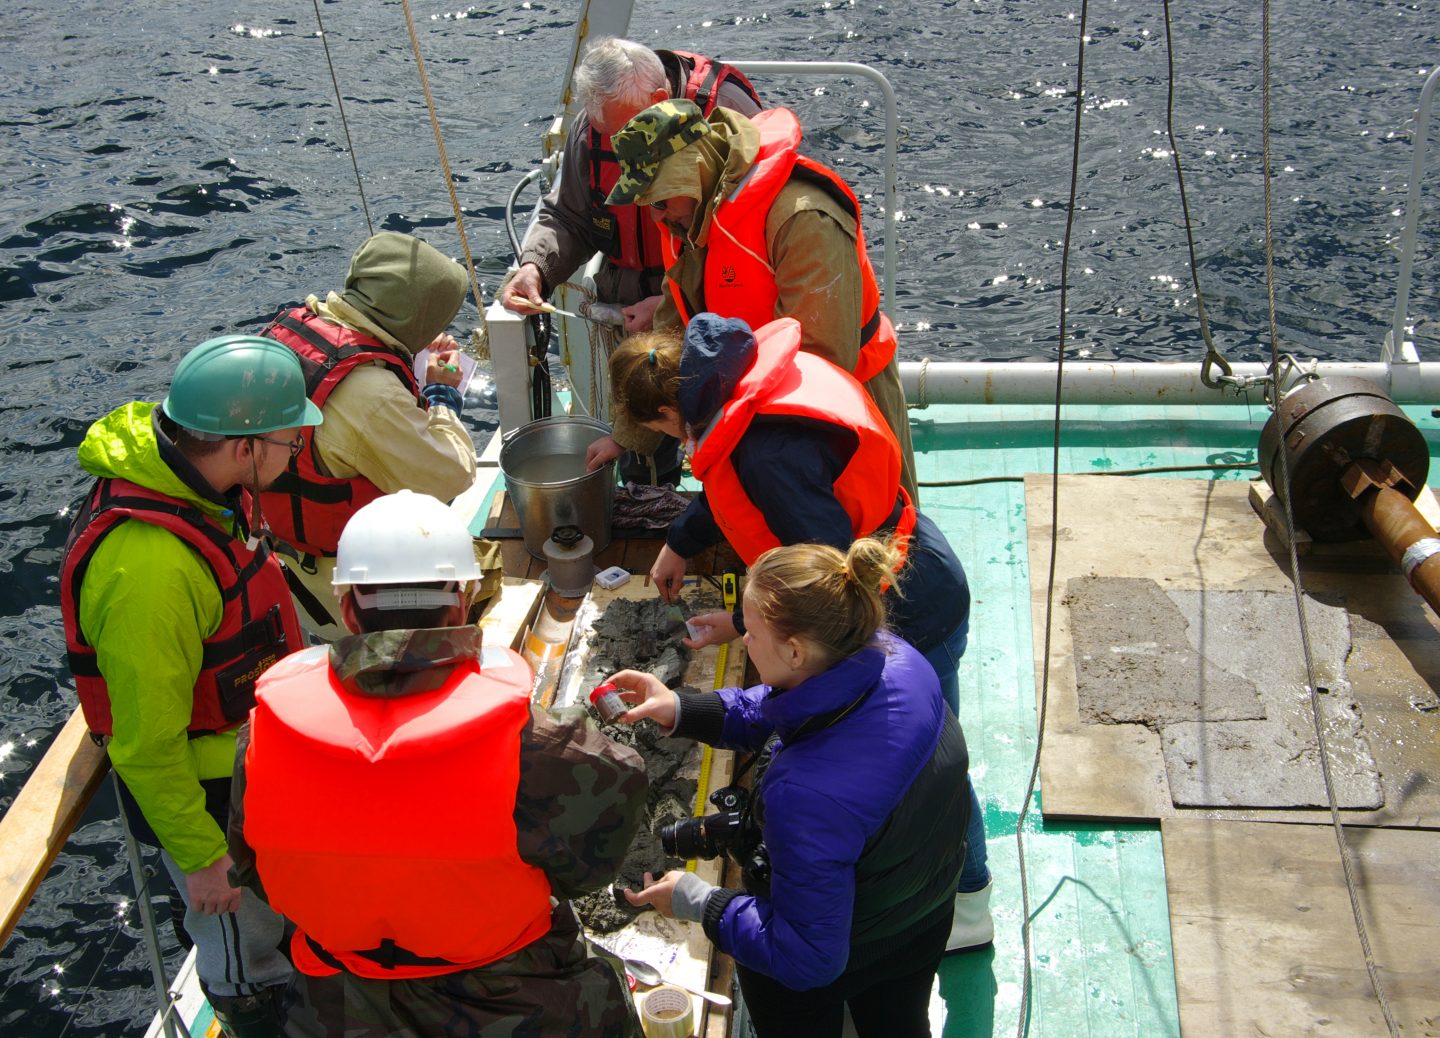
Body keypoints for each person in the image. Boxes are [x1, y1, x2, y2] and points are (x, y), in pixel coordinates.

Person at [610, 313, 993, 951]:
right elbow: (734, 478)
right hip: (903, 558)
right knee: (918, 762)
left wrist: (740, 623)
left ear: (664, 417)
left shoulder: (765, 452)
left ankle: (971, 900)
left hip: (907, 601)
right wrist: (680, 543)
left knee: (930, 773)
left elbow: (828, 572)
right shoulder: (736, 388)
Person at [229, 490, 648, 1038]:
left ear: (347, 606)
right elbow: (598, 852)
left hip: (336, 999)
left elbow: (256, 868)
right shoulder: (537, 744)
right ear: (462, 601)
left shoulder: (261, 737)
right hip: (507, 995)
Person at [60, 336, 324, 1036]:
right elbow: (145, 742)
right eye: (288, 443)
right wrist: (203, 859)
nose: (292, 455)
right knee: (247, 952)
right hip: (213, 807)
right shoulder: (150, 571)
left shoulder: (198, 487)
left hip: (254, 773)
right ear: (242, 450)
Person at [611, 537, 973, 1037]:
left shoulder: (805, 795)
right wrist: (681, 708)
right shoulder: (894, 657)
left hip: (845, 942)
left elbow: (807, 957)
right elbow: (791, 706)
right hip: (922, 907)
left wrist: (698, 899)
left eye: (751, 632)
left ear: (796, 650)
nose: (744, 642)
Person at [604, 98, 919, 501]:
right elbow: (672, 326)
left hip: (847, 406)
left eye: (661, 201)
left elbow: (823, 359)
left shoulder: (803, 218)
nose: (658, 219)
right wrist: (627, 437)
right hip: (757, 417)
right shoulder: (690, 221)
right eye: (648, 206)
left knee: (876, 538)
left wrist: (732, 434)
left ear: (693, 171)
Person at [503, 36, 762, 485]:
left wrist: (669, 302)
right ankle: (652, 493)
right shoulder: (597, 123)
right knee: (643, 425)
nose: (618, 152)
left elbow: (749, 236)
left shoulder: (729, 115)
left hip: (714, 298)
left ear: (660, 101)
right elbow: (569, 214)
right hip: (631, 293)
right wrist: (534, 268)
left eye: (625, 136)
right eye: (608, 139)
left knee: (736, 438)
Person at [258, 230, 478, 641]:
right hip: (352, 596)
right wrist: (441, 396)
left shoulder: (294, 328)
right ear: (416, 315)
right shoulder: (370, 395)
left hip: (286, 568)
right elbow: (451, 474)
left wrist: (408, 352)